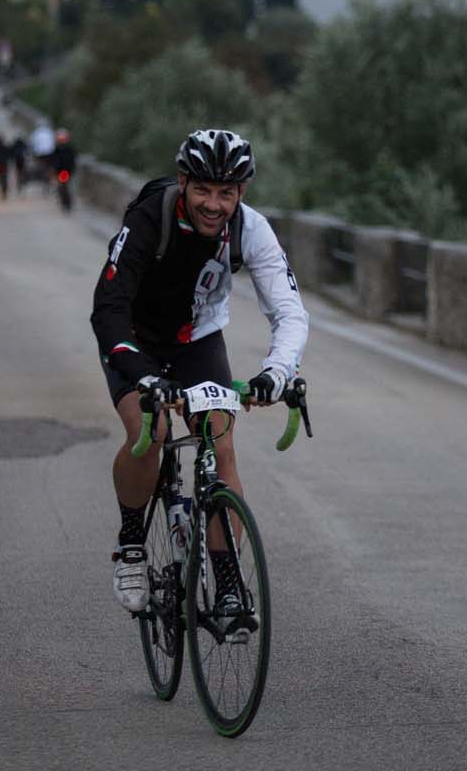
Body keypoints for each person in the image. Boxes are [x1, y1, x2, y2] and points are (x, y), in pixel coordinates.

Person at [91, 128, 308, 614]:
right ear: (183, 182)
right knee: (151, 432)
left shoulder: (251, 230)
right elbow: (108, 307)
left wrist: (276, 371)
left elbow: (289, 311)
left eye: (226, 193)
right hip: (135, 340)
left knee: (220, 445)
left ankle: (228, 583)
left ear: (241, 192)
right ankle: (132, 544)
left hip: (197, 340)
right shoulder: (151, 218)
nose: (213, 204)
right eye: (203, 190)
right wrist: (144, 376)